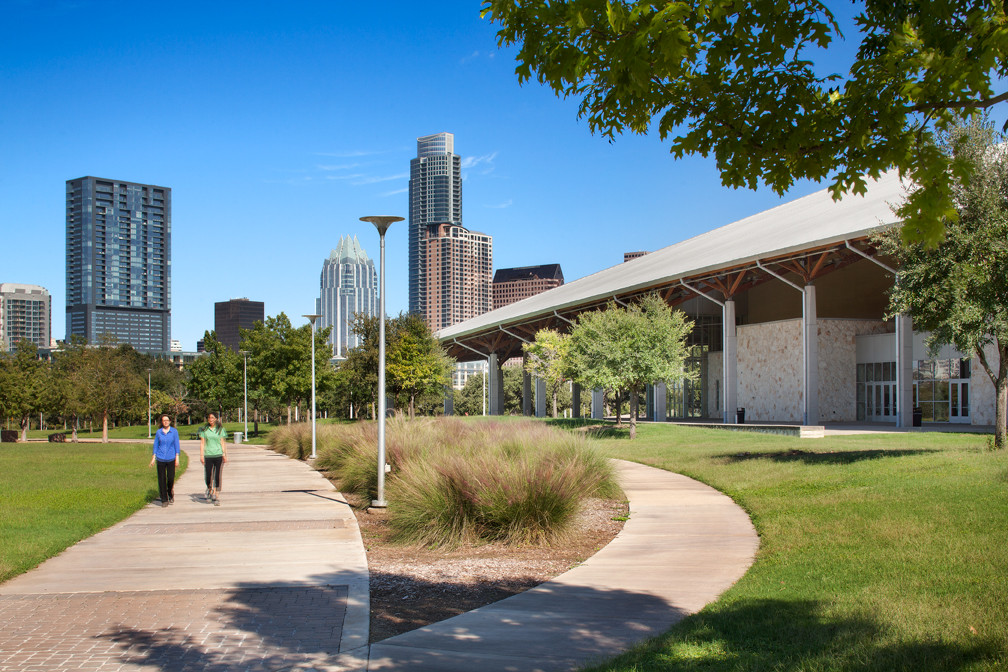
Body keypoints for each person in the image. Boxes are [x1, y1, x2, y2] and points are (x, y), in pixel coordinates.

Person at [149, 413, 180, 507]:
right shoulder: (159, 432)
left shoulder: (174, 432)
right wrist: (153, 458)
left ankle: (170, 492)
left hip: (171, 458)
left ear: (170, 421)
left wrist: (177, 457)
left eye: (167, 420)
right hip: (161, 458)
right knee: (161, 479)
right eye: (164, 420)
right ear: (161, 422)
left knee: (170, 478)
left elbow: (176, 445)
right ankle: (164, 499)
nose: (165, 422)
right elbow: (156, 445)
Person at [199, 412, 228, 506]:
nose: (210, 419)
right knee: (208, 474)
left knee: (217, 474)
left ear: (216, 419)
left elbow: (222, 442)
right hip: (208, 454)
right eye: (209, 417)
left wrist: (224, 454)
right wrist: (201, 455)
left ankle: (216, 493)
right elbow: (202, 443)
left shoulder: (220, 429)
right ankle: (209, 488)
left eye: (212, 417)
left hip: (218, 454)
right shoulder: (204, 430)